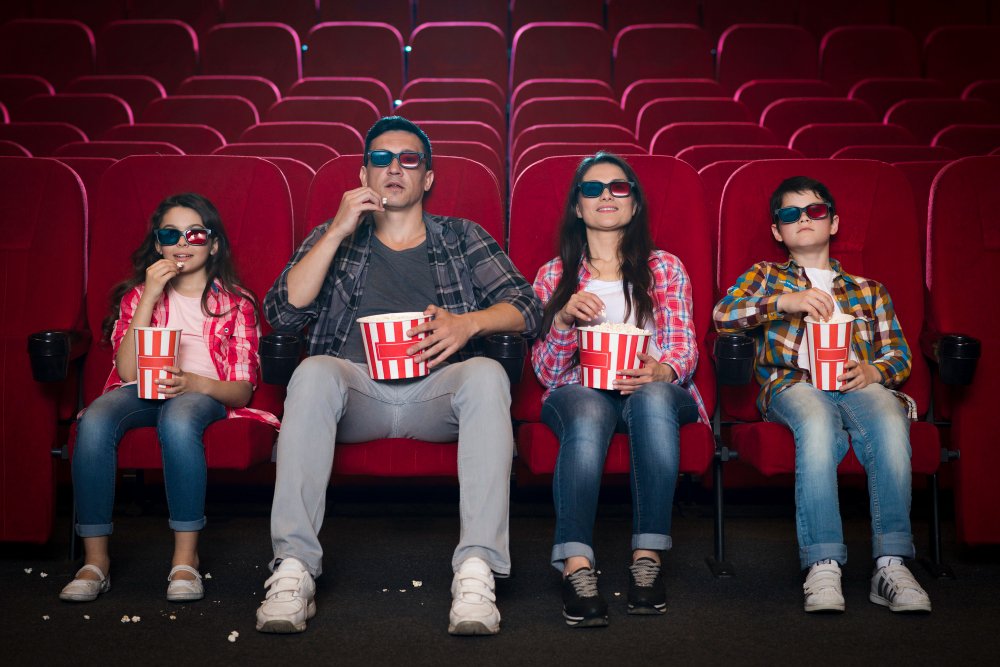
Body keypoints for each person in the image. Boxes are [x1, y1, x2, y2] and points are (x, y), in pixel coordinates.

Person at [256, 116, 541, 636]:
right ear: (364, 174)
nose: (394, 168)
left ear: (426, 178)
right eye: (381, 159)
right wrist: (337, 230)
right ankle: (294, 569)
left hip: (436, 393)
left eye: (408, 159)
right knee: (313, 371)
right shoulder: (335, 237)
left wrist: (468, 323)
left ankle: (476, 570)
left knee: (485, 373)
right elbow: (283, 313)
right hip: (355, 392)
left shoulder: (460, 237)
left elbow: (527, 306)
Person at [713, 176, 932, 614]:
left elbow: (899, 355)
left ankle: (891, 564)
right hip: (793, 384)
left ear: (833, 223)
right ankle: (823, 563)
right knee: (816, 423)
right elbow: (723, 316)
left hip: (858, 385)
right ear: (778, 231)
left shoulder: (869, 290)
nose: (803, 219)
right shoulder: (765, 275)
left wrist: (873, 370)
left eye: (815, 211)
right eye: (790, 214)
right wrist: (783, 303)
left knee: (891, 419)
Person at [60, 193, 277, 603]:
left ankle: (185, 559)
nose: (182, 243)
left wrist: (195, 383)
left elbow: (242, 389)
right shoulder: (137, 297)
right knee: (95, 418)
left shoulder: (237, 303)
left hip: (203, 394)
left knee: (177, 417)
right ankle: (95, 561)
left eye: (195, 234)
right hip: (141, 390)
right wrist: (149, 296)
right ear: (158, 245)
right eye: (170, 234)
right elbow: (127, 373)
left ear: (213, 244)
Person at [531, 153, 708, 627]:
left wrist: (662, 370)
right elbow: (546, 372)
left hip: (654, 389)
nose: (606, 195)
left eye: (619, 187)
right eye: (592, 189)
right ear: (578, 207)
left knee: (652, 398)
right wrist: (563, 319)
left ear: (634, 203)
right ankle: (576, 566)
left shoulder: (665, 267)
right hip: (580, 390)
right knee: (588, 410)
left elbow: (684, 346)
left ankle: (647, 558)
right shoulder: (553, 275)